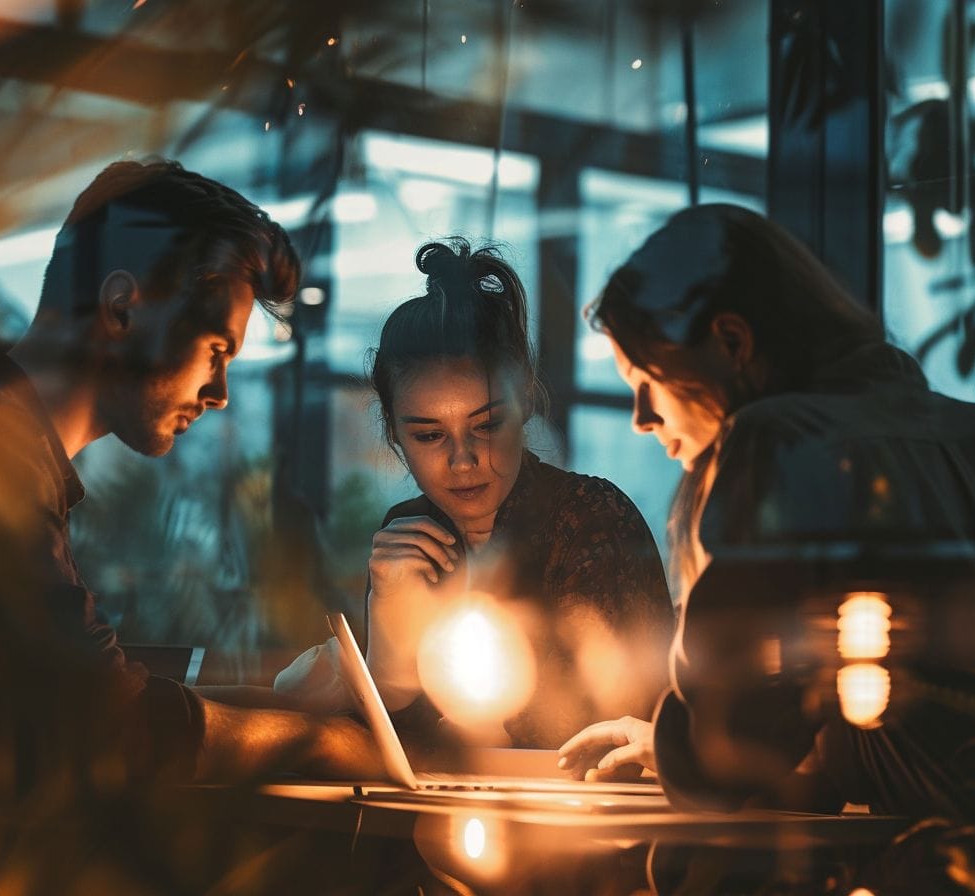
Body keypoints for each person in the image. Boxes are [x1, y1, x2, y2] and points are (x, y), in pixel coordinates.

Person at [0, 159, 382, 888]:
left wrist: (277, 708)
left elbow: (82, 685)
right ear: (121, 309)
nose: (218, 393)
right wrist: (320, 743)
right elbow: (118, 728)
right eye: (215, 351)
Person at [556, 203, 975, 817]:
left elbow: (727, 744)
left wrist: (680, 747)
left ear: (732, 342)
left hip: (941, 862)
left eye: (648, 379)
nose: (641, 418)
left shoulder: (781, 440)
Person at [274, 239, 675, 750]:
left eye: (485, 426)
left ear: (526, 401)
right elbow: (396, 748)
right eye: (429, 435)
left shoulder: (591, 517)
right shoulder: (408, 535)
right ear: (395, 433)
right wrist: (388, 666)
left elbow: (602, 721)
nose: (462, 461)